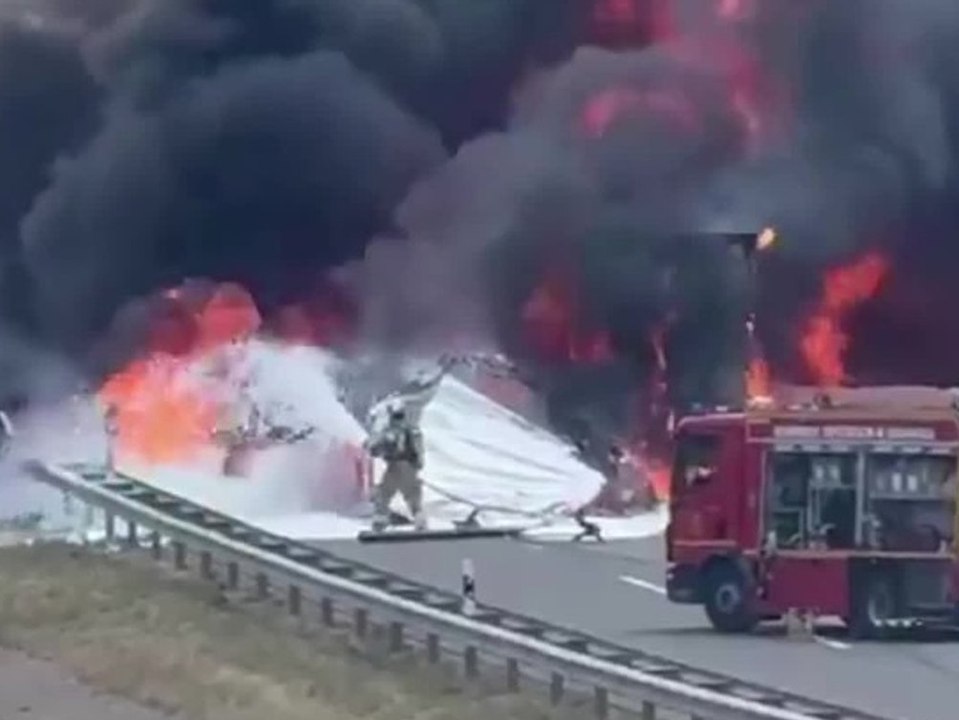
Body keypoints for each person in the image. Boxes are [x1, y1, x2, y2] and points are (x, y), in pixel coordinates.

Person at [366, 403, 426, 532]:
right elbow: (419, 453)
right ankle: (420, 522)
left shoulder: (392, 431)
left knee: (384, 494)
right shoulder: (412, 430)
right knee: (413, 497)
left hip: (395, 466)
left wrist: (371, 447)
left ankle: (379, 523)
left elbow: (377, 449)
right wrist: (417, 465)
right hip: (409, 468)